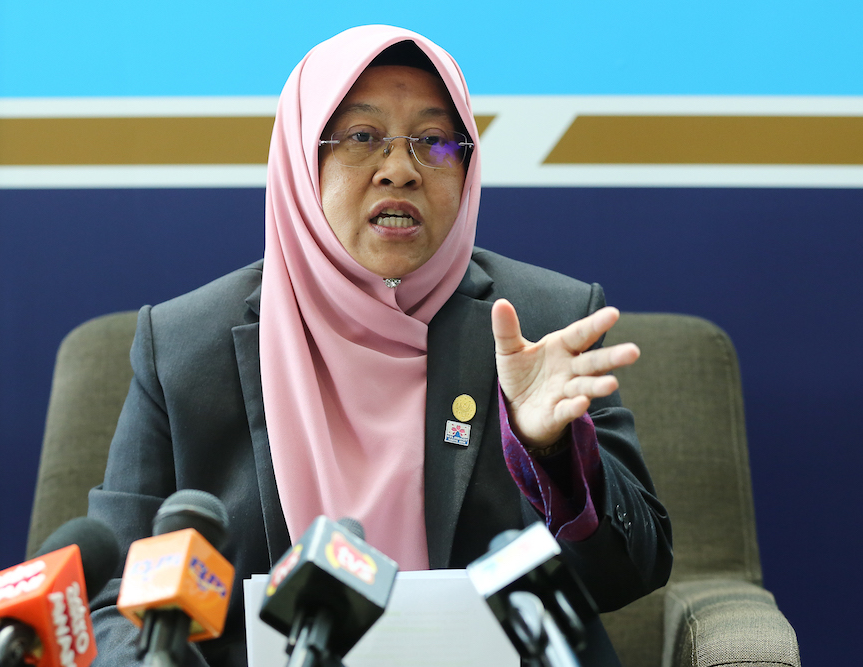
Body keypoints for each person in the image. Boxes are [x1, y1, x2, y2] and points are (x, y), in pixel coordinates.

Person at [87, 25, 672, 667]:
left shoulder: (544, 322)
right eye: (362, 137)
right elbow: (111, 599)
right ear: (302, 163)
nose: (400, 169)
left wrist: (551, 453)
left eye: (434, 141)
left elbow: (630, 574)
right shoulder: (183, 347)